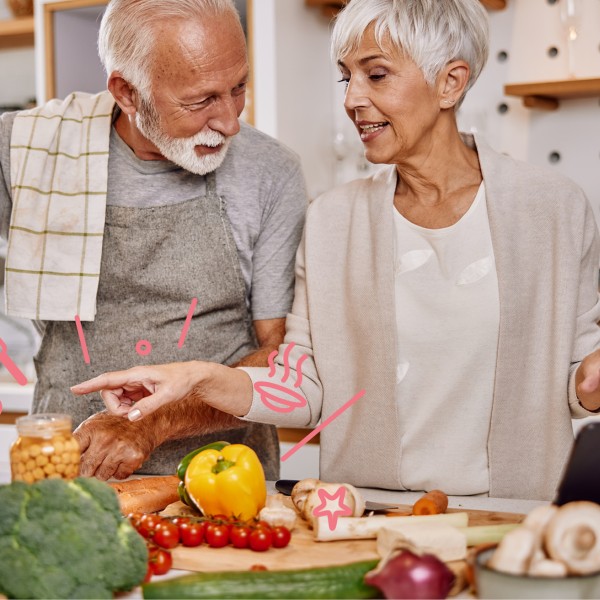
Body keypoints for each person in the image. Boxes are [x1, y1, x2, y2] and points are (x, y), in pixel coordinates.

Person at [73, 0, 600, 501]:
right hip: (366, 517)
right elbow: (305, 387)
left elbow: (577, 382)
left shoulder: (551, 208)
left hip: (515, 516)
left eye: (376, 74)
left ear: (450, 82)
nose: (351, 99)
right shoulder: (334, 220)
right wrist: (200, 377)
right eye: (346, 77)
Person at [1, 0, 307, 481]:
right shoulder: (26, 155)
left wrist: (150, 424)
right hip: (68, 469)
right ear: (126, 90)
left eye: (238, 88)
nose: (229, 121)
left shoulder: (272, 173)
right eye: (200, 100)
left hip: (224, 478)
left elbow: (281, 354)